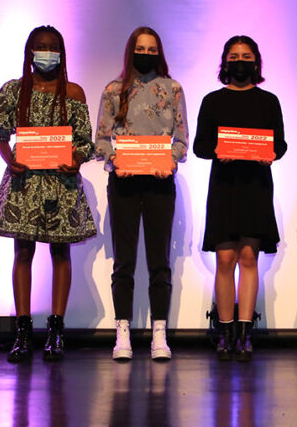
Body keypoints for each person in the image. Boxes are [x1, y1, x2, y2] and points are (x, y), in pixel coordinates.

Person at [0, 26, 97, 363]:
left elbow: (84, 141)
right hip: (24, 181)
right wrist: (10, 161)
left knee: (61, 252)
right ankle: (23, 331)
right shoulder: (13, 90)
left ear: (61, 53)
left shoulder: (73, 92)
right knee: (23, 252)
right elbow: (1, 136)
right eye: (40, 47)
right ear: (30, 51)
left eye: (52, 47)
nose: (46, 53)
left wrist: (76, 160)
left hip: (61, 183)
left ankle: (56, 330)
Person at [95, 26, 188, 361]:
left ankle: (159, 332)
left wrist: (170, 162)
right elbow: (101, 140)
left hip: (160, 182)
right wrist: (115, 160)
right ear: (130, 51)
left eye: (151, 49)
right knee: (124, 261)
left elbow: (181, 140)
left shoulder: (173, 89)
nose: (146, 54)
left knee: (160, 261)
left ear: (158, 53)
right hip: (123, 183)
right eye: (141, 48)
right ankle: (122, 331)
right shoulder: (113, 90)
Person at [193, 35, 287, 361]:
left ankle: (245, 334)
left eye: (246, 56)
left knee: (248, 258)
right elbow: (200, 146)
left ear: (256, 61)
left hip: (256, 187)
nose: (240, 61)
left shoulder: (269, 101)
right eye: (234, 56)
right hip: (224, 187)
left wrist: (271, 153)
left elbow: (281, 144)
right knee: (224, 260)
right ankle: (225, 332)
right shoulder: (212, 100)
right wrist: (220, 150)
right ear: (225, 61)